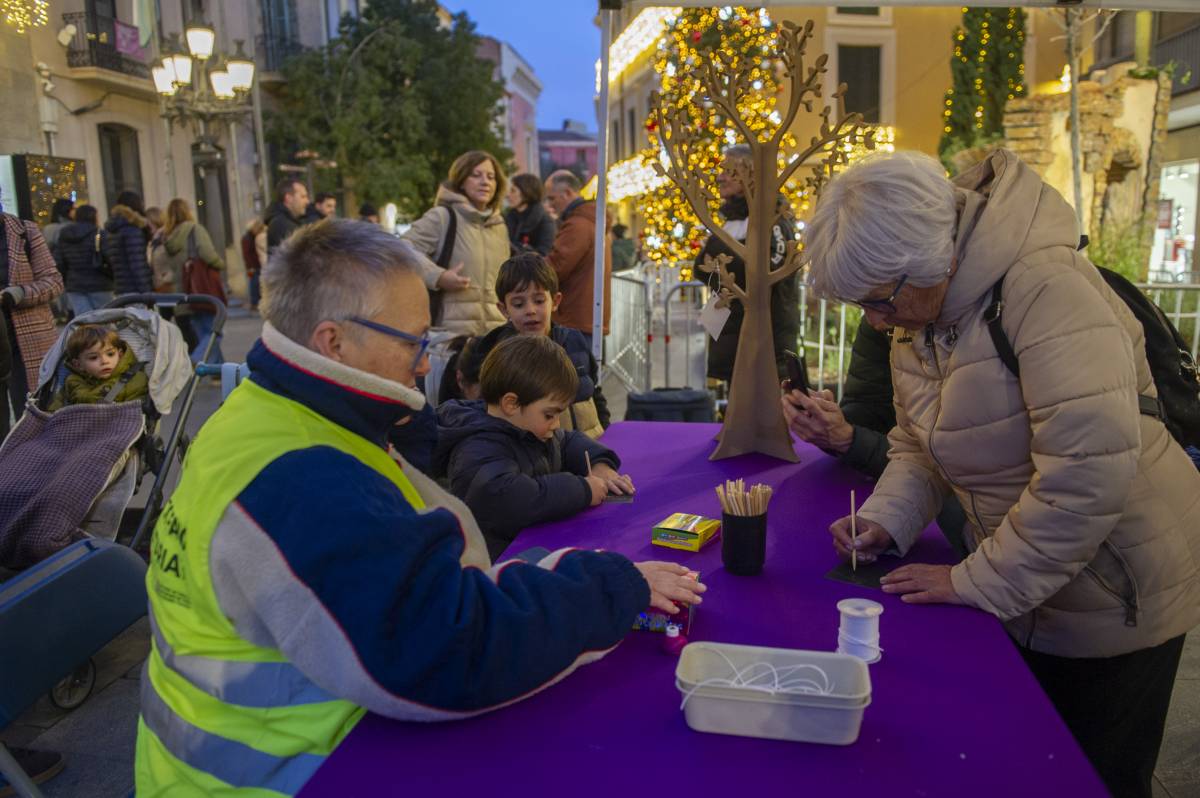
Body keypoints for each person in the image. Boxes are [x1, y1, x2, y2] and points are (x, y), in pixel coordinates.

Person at [133, 219, 704, 796]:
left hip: (257, 750)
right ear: (334, 342)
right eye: (413, 341)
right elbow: (446, 647)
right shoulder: (304, 475)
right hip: (289, 773)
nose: (426, 364)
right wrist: (609, 586)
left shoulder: (268, 415)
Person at [803, 148, 1200, 798]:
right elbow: (919, 442)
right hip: (1036, 576)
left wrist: (974, 581)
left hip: (1118, 588)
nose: (875, 321)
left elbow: (1084, 480)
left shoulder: (1048, 291)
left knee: (1093, 775)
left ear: (930, 263)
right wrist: (886, 517)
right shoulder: (921, 312)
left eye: (879, 301)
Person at [782, 318, 969, 559]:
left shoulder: (985, 327)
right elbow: (915, 448)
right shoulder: (885, 319)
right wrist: (829, 421)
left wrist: (848, 439)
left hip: (980, 533)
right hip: (925, 505)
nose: (874, 320)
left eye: (881, 302)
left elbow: (940, 454)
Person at [435, 335, 634, 560]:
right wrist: (583, 490)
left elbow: (566, 441)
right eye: (549, 415)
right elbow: (511, 498)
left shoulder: (528, 428)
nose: (556, 424)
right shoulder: (477, 446)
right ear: (511, 404)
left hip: (534, 547)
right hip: (498, 564)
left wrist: (600, 465)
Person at [473, 252, 609, 438]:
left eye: (538, 301)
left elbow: (595, 393)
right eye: (518, 304)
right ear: (504, 309)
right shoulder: (501, 356)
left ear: (555, 301)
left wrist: (607, 434)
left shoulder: (575, 341)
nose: (530, 310)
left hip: (592, 444)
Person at [696, 145, 799, 382]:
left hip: (765, 343)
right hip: (730, 336)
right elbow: (700, 267)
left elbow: (765, 272)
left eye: (729, 170)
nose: (720, 177)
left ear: (751, 173)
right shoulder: (730, 220)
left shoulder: (772, 217)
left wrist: (723, 267)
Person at [403, 150, 511, 336]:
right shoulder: (442, 217)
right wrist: (438, 277)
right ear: (461, 181)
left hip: (494, 336)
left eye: (491, 177)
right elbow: (402, 250)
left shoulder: (500, 226)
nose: (485, 182)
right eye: (476, 175)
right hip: (451, 337)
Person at [1, 202, 63, 428]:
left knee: (31, 416)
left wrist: (18, 294)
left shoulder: (24, 232)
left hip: (26, 341)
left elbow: (54, 282)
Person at [543, 170, 611, 348]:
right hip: (588, 317)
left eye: (552, 198)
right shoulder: (591, 221)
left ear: (567, 193)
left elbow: (556, 267)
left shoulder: (578, 225)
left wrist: (532, 265)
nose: (550, 204)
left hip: (574, 317)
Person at [162, 198, 225, 365]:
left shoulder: (168, 236)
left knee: (202, 332)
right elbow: (207, 254)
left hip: (181, 292)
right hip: (201, 289)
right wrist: (220, 264)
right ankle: (195, 361)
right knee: (214, 333)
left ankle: (217, 370)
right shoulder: (195, 229)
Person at [47, 325, 148, 410]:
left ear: (120, 355)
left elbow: (136, 414)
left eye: (110, 354)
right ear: (78, 365)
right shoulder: (71, 382)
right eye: (94, 358)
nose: (104, 361)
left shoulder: (135, 380)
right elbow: (54, 412)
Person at [56, 205, 114, 317]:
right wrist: (111, 276)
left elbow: (59, 261)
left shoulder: (65, 235)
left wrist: (66, 280)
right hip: (100, 283)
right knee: (105, 319)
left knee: (84, 320)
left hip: (75, 285)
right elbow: (110, 257)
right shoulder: (99, 234)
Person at [101, 190, 153, 295]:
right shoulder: (132, 230)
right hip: (135, 289)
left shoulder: (113, 229)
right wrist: (146, 291)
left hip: (121, 287)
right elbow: (137, 264)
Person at [504, 173, 556, 256]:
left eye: (513, 191)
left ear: (526, 192)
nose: (507, 195)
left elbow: (544, 255)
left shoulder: (545, 222)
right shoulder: (509, 218)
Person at [264, 177, 309, 258]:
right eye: (303, 197)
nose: (307, 201)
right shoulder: (282, 225)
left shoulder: (285, 221)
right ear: (289, 198)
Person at [241, 218, 266, 310]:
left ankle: (255, 302)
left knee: (255, 283)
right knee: (254, 283)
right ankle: (254, 303)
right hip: (252, 265)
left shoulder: (250, 237)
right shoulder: (247, 238)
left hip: (254, 265)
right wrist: (250, 266)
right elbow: (247, 254)